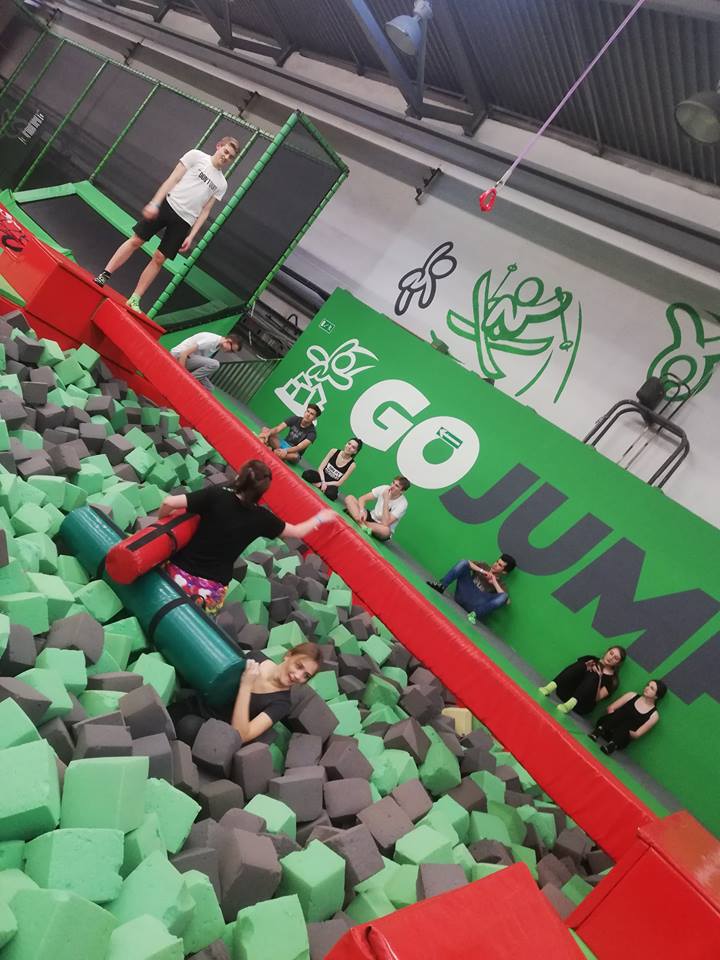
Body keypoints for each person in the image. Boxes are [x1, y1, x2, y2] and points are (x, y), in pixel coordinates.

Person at [158, 459, 335, 614]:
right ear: (262, 492)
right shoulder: (262, 518)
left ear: (239, 477)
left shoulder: (216, 495)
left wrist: (160, 524)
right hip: (211, 590)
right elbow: (297, 532)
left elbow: (168, 502)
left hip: (177, 573)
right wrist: (320, 517)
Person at [94, 136, 240, 312]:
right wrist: (155, 202)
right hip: (168, 205)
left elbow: (206, 210)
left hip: (185, 222)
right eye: (225, 151)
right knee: (136, 240)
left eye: (230, 156)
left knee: (159, 258)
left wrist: (192, 236)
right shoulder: (196, 156)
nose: (226, 157)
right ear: (218, 146)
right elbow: (173, 178)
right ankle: (105, 274)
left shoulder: (222, 184)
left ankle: (134, 299)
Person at [231, 642, 322, 743]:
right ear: (288, 655)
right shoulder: (256, 657)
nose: (298, 676)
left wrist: (246, 685)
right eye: (298, 666)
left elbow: (241, 736)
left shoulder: (282, 705)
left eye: (306, 676)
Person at [427, 554, 516, 624]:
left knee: (504, 596)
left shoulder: (500, 584)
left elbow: (507, 601)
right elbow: (466, 562)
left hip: (474, 605)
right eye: (497, 561)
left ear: (504, 572)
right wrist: (482, 571)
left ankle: (474, 615)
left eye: (499, 565)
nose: (495, 565)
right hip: (463, 592)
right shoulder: (483, 566)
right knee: (464, 563)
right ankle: (441, 586)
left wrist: (494, 581)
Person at [539, 646, 627, 715]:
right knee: (583, 665)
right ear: (607, 652)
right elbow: (572, 670)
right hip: (564, 693)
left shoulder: (612, 680)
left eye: (616, 658)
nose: (611, 658)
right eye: (611, 653)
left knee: (594, 674)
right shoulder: (591, 658)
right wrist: (585, 666)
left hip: (580, 705)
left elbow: (596, 699)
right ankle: (549, 687)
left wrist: (599, 677)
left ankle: (569, 705)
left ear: (618, 663)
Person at [589, 679, 666, 754]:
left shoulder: (654, 715)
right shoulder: (631, 695)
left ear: (656, 696)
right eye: (648, 685)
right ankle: (597, 732)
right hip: (606, 727)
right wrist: (615, 720)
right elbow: (610, 708)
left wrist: (626, 729)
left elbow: (637, 734)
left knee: (628, 723)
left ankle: (611, 746)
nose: (647, 688)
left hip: (620, 740)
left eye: (651, 688)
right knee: (622, 714)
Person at [344, 476, 410, 541]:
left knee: (386, 531)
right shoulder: (384, 488)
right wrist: (361, 511)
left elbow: (385, 523)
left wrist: (386, 500)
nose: (392, 486)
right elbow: (362, 499)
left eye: (396, 486)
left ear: (402, 491)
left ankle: (357, 519)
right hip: (370, 517)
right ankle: (362, 525)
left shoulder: (403, 504)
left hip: (380, 527)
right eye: (393, 482)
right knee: (350, 498)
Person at [169, 331, 241, 389]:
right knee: (215, 364)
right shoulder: (211, 340)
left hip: (188, 360)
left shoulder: (218, 346)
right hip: (178, 357)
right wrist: (181, 374)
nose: (230, 352)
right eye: (232, 350)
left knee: (208, 388)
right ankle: (185, 381)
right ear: (228, 341)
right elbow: (183, 354)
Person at [302, 437, 362, 501]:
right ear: (346, 444)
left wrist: (322, 484)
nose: (349, 447)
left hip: (331, 484)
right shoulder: (333, 451)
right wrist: (323, 482)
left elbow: (339, 482)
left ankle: (320, 486)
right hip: (322, 477)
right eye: (349, 444)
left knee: (331, 494)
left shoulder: (352, 465)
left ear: (355, 452)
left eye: (353, 447)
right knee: (307, 474)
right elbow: (321, 468)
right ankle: (321, 487)